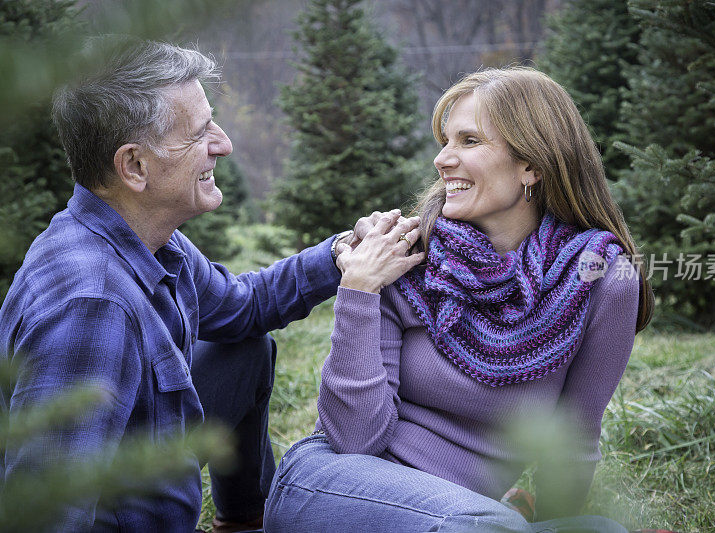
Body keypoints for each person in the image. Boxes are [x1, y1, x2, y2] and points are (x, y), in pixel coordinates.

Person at [0, 39, 422, 532]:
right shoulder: (92, 306)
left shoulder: (153, 239)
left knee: (245, 346)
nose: (223, 144)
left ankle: (245, 518)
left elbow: (243, 307)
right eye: (200, 133)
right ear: (134, 166)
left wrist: (341, 253)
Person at [263, 67, 655, 533]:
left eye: (468, 141)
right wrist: (359, 290)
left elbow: (572, 441)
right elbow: (354, 439)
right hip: (335, 486)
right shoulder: (406, 254)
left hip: (463, 517)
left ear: (531, 166)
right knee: (486, 526)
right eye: (445, 141)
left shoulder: (600, 278)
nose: (442, 159)